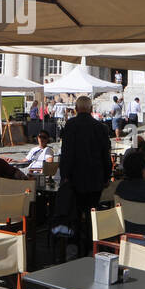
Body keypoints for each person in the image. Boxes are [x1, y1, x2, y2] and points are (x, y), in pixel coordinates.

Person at [53, 95, 112, 259]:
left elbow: (66, 154)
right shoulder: (100, 127)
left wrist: (64, 175)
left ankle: (74, 246)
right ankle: (91, 248)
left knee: (75, 215)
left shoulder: (70, 125)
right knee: (92, 213)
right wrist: (108, 175)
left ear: (76, 109)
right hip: (95, 179)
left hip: (74, 179)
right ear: (91, 109)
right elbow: (105, 155)